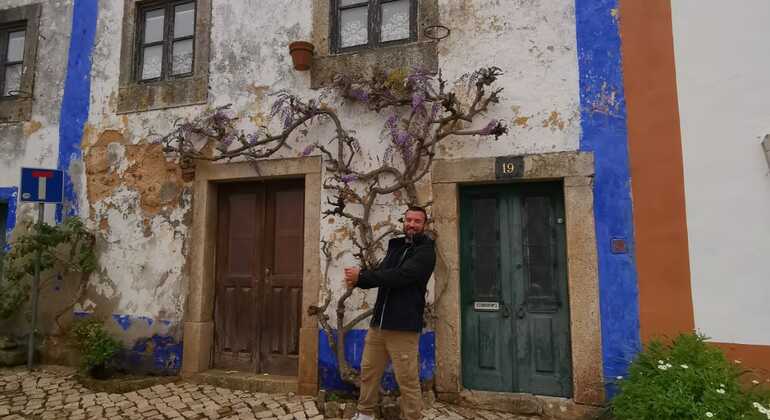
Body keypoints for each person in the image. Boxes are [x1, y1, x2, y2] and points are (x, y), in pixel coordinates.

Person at [345, 206, 436, 420]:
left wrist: (362, 277)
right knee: (368, 372)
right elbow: (384, 274)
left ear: (425, 225)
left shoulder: (426, 252)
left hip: (403, 327)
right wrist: (361, 280)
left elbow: (400, 276)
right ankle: (365, 414)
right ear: (403, 221)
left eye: (417, 221)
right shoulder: (396, 247)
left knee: (407, 380)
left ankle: (413, 417)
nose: (412, 224)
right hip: (379, 325)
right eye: (409, 220)